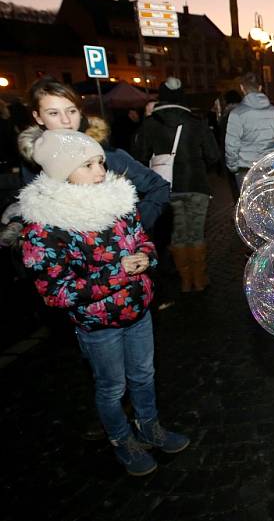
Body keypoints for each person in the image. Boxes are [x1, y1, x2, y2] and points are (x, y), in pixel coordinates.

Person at [18, 128, 189, 476]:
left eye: (100, 162)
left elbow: (143, 240)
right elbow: (56, 291)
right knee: (112, 387)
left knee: (144, 375)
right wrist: (118, 273)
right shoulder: (45, 228)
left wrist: (144, 257)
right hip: (98, 326)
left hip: (138, 310)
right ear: (62, 172)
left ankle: (149, 426)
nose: (100, 171)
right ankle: (121, 439)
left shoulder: (117, 202)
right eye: (88, 165)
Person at [20, 77, 169, 234]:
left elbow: (158, 186)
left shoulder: (106, 154)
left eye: (71, 111)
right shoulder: (33, 161)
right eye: (53, 113)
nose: (66, 121)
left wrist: (133, 228)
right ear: (38, 117)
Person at [133, 77, 219, 293]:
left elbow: (139, 157)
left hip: (166, 187)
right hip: (196, 185)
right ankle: (199, 279)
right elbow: (213, 155)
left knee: (177, 234)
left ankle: (185, 281)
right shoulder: (196, 121)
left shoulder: (150, 123)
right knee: (196, 233)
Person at [224, 72, 274, 189]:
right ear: (260, 87)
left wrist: (233, 167)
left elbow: (231, 145)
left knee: (249, 204)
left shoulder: (237, 114)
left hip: (246, 169)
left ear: (242, 88)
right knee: (268, 204)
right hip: (269, 167)